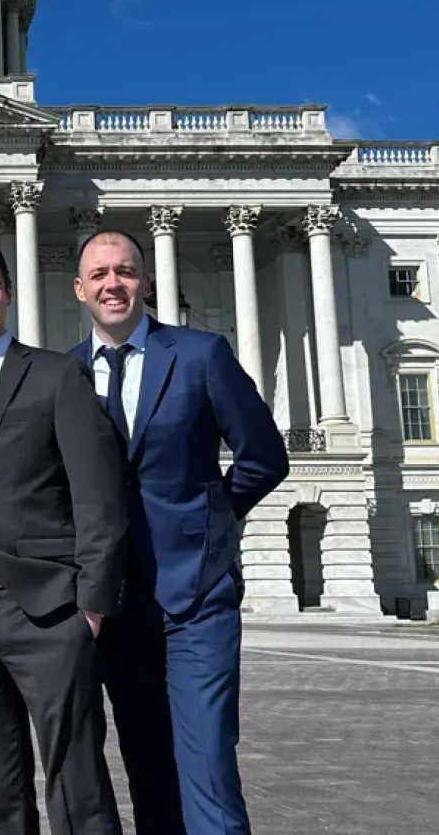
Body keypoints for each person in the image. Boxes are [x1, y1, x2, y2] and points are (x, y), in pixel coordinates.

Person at [70, 231, 288, 835]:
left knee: (209, 765)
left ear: (145, 280)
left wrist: (211, 521)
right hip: (115, 605)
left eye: (127, 271)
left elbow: (264, 457)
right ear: (80, 288)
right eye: (101, 274)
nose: (114, 284)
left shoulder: (200, 354)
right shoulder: (64, 373)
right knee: (147, 768)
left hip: (196, 596)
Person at [0, 240, 130, 835]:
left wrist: (90, 603)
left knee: (76, 778)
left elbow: (99, 493)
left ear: (8, 294)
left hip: (48, 609)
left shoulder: (56, 374)